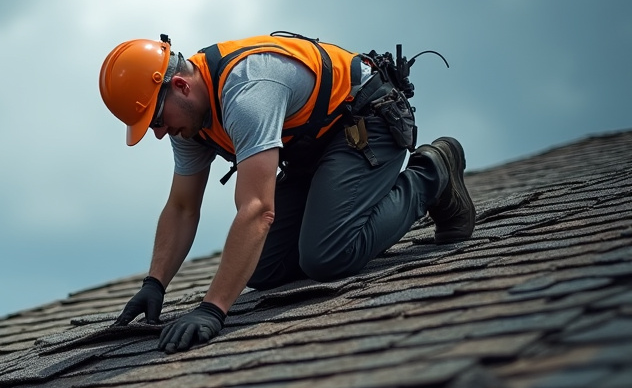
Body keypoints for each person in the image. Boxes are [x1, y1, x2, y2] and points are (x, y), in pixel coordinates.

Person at [98, 32, 475, 353]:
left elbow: (258, 209)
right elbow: (181, 207)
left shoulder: (247, 95)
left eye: (157, 120)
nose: (160, 133)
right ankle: (334, 212)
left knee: (327, 256)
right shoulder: (191, 119)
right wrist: (155, 284)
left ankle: (432, 172)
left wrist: (213, 308)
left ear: (180, 86)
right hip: (313, 149)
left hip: (367, 124)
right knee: (260, 267)